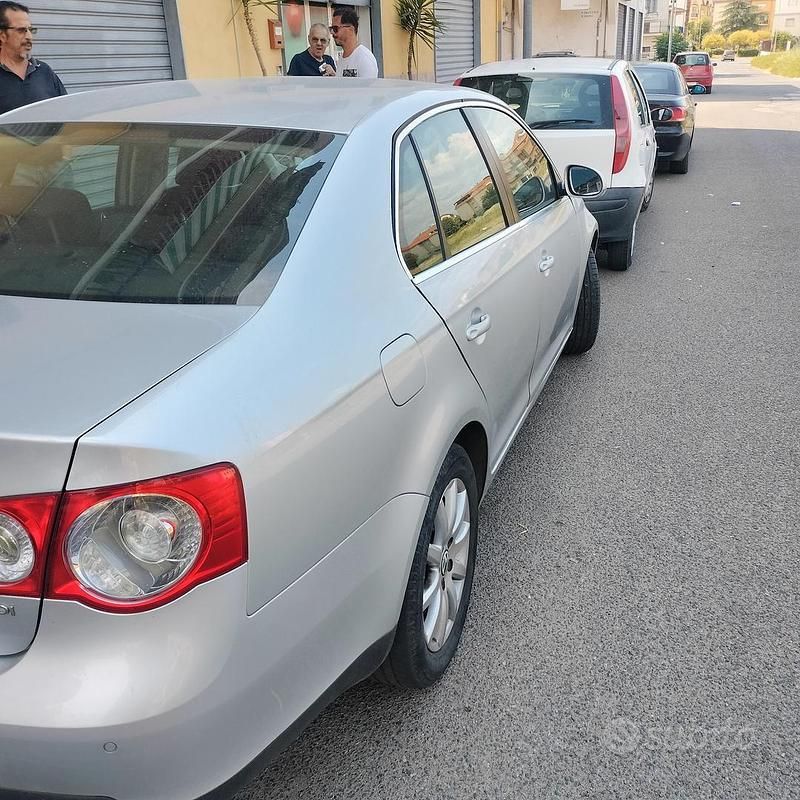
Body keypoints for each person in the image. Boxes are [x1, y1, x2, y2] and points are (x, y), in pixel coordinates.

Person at [0, 2, 66, 116]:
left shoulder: (44, 71)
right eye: (21, 30)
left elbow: (65, 112)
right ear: (2, 35)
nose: (29, 36)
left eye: (31, 29)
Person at [330, 7, 377, 78]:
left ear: (350, 29)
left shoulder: (364, 58)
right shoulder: (342, 58)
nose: (332, 33)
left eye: (335, 29)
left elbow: (368, 88)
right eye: (331, 29)